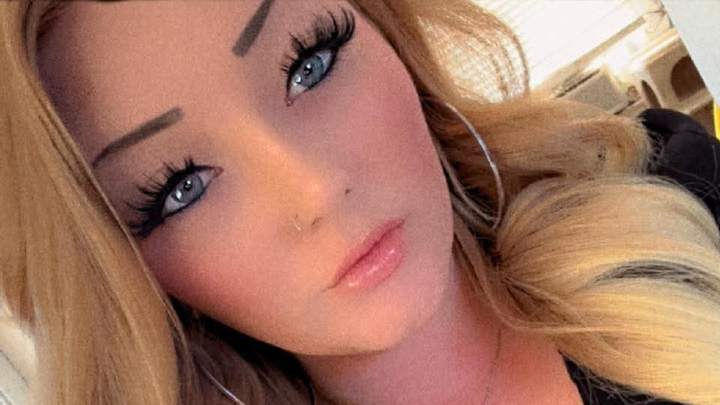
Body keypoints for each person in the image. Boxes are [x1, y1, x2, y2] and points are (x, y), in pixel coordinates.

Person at [0, 1, 718, 404]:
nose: (313, 187)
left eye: (309, 63)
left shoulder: (674, 196)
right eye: (180, 185)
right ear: (128, 278)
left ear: (388, 35)